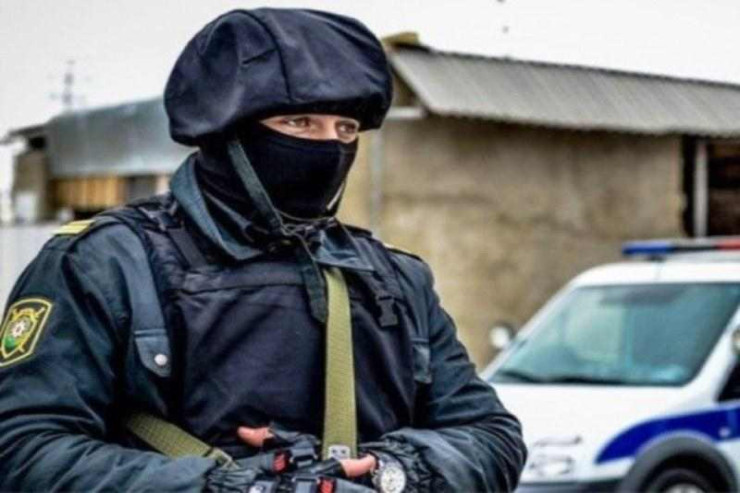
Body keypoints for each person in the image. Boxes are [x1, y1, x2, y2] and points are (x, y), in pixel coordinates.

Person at [0, 8, 526, 492]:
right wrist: (235, 487)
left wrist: (390, 471)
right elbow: (24, 449)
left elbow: (491, 435)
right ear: (225, 132)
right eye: (299, 123)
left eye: (345, 128)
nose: (329, 147)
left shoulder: (392, 276)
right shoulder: (105, 263)